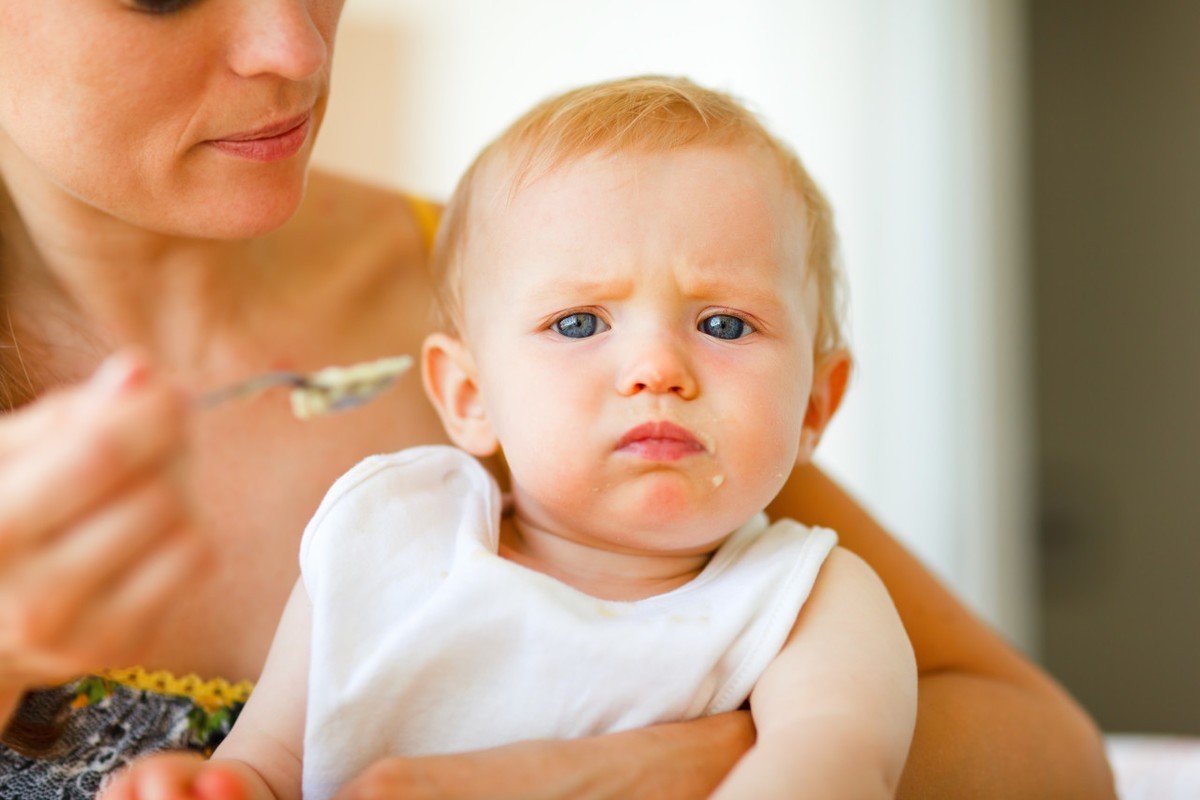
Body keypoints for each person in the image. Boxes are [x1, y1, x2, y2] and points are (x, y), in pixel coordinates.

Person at [0, 2, 1113, 799]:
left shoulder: (549, 276)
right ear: (459, 390)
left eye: (723, 324)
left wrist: (640, 766)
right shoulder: (445, 437)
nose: (292, 44)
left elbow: (1051, 753)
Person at [101, 75, 920, 800]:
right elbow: (269, 768)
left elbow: (832, 768)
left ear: (816, 402)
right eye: (578, 321)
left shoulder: (808, 601)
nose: (655, 368)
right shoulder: (388, 534)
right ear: (468, 395)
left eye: (723, 322)